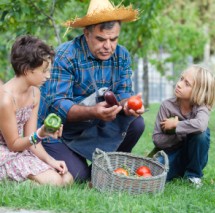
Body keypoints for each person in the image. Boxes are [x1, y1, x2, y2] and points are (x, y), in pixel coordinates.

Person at [38, 0, 145, 182]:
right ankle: (82, 165)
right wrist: (93, 112)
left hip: (93, 124)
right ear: (86, 34)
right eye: (101, 39)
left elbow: (124, 92)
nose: (108, 46)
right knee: (78, 176)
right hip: (60, 131)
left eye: (114, 39)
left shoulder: (122, 55)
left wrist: (128, 105)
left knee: (136, 123)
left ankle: (105, 168)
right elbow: (57, 106)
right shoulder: (66, 55)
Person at [0, 35, 73, 186]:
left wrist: (51, 161)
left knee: (67, 179)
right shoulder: (6, 99)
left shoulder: (34, 92)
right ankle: (15, 182)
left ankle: (27, 181)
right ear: (27, 70)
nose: (48, 76)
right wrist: (40, 134)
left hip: (21, 149)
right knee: (54, 182)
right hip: (5, 152)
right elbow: (13, 144)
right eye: (44, 71)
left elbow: (30, 138)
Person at [152, 65, 215, 188]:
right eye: (181, 79)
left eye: (187, 84)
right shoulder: (167, 106)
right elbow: (157, 140)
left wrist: (176, 126)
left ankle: (193, 175)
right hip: (172, 154)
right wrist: (179, 135)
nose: (179, 84)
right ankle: (179, 170)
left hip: (195, 157)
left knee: (201, 134)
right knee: (154, 171)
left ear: (199, 91)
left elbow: (201, 125)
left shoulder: (201, 108)